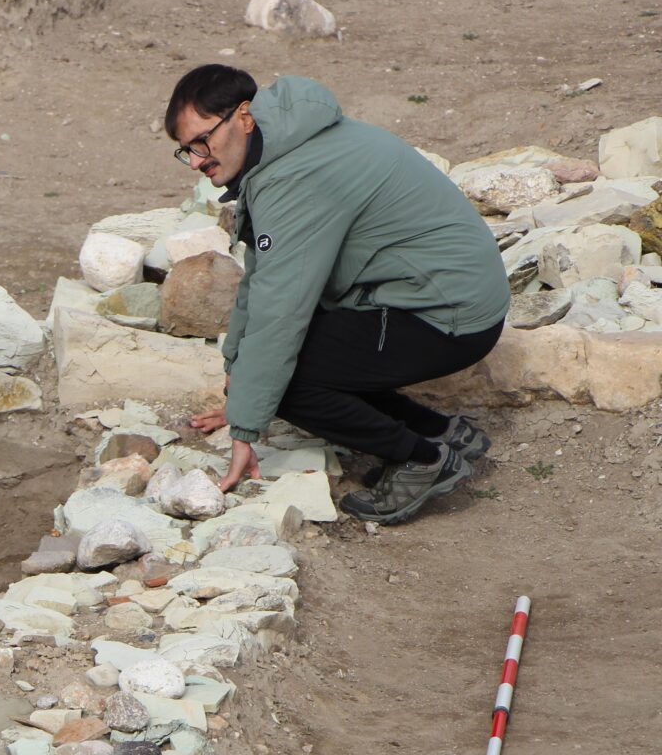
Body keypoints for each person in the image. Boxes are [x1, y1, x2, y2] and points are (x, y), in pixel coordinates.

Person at [166, 65, 509, 524]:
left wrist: (246, 425)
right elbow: (263, 278)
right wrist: (238, 379)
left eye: (201, 143)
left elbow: (280, 313)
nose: (195, 161)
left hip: (449, 315)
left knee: (284, 378)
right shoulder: (284, 145)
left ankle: (422, 460)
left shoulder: (295, 177)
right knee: (283, 365)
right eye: (185, 149)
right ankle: (445, 432)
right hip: (442, 294)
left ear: (243, 117)